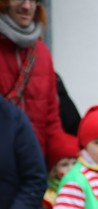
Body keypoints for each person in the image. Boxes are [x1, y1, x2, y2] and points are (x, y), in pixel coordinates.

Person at [0, 0, 77, 165]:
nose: (27, 6)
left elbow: (51, 124)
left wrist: (85, 155)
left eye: (33, 0)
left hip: (33, 170)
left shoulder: (42, 53)